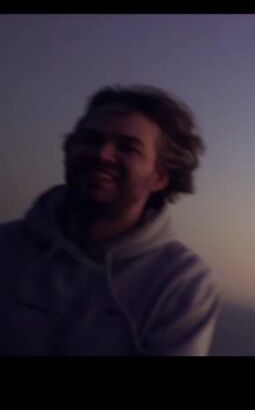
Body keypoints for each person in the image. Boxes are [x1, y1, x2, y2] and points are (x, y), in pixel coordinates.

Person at [0, 85, 220, 355]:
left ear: (160, 177)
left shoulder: (179, 284)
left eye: (128, 148)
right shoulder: (6, 245)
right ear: (69, 148)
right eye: (91, 139)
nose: (102, 154)